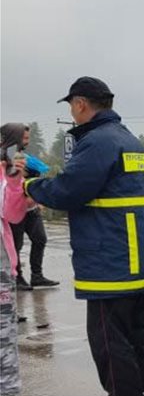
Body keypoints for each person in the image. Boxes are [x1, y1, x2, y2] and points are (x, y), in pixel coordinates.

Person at [24, 77, 144, 396]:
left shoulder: (97, 142)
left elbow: (70, 190)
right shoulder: (129, 140)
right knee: (133, 327)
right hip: (136, 253)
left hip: (111, 255)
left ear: (81, 104)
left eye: (71, 106)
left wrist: (31, 185)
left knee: (106, 333)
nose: (72, 114)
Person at [1, 123, 59, 290]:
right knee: (14, 246)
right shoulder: (7, 158)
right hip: (14, 211)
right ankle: (17, 277)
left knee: (40, 239)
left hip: (29, 208)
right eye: (24, 138)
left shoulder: (21, 157)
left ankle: (37, 275)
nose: (27, 141)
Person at [0, 145, 28, 396]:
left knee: (3, 336)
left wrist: (15, 180)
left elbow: (13, 214)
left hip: (0, 266)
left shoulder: (5, 174)